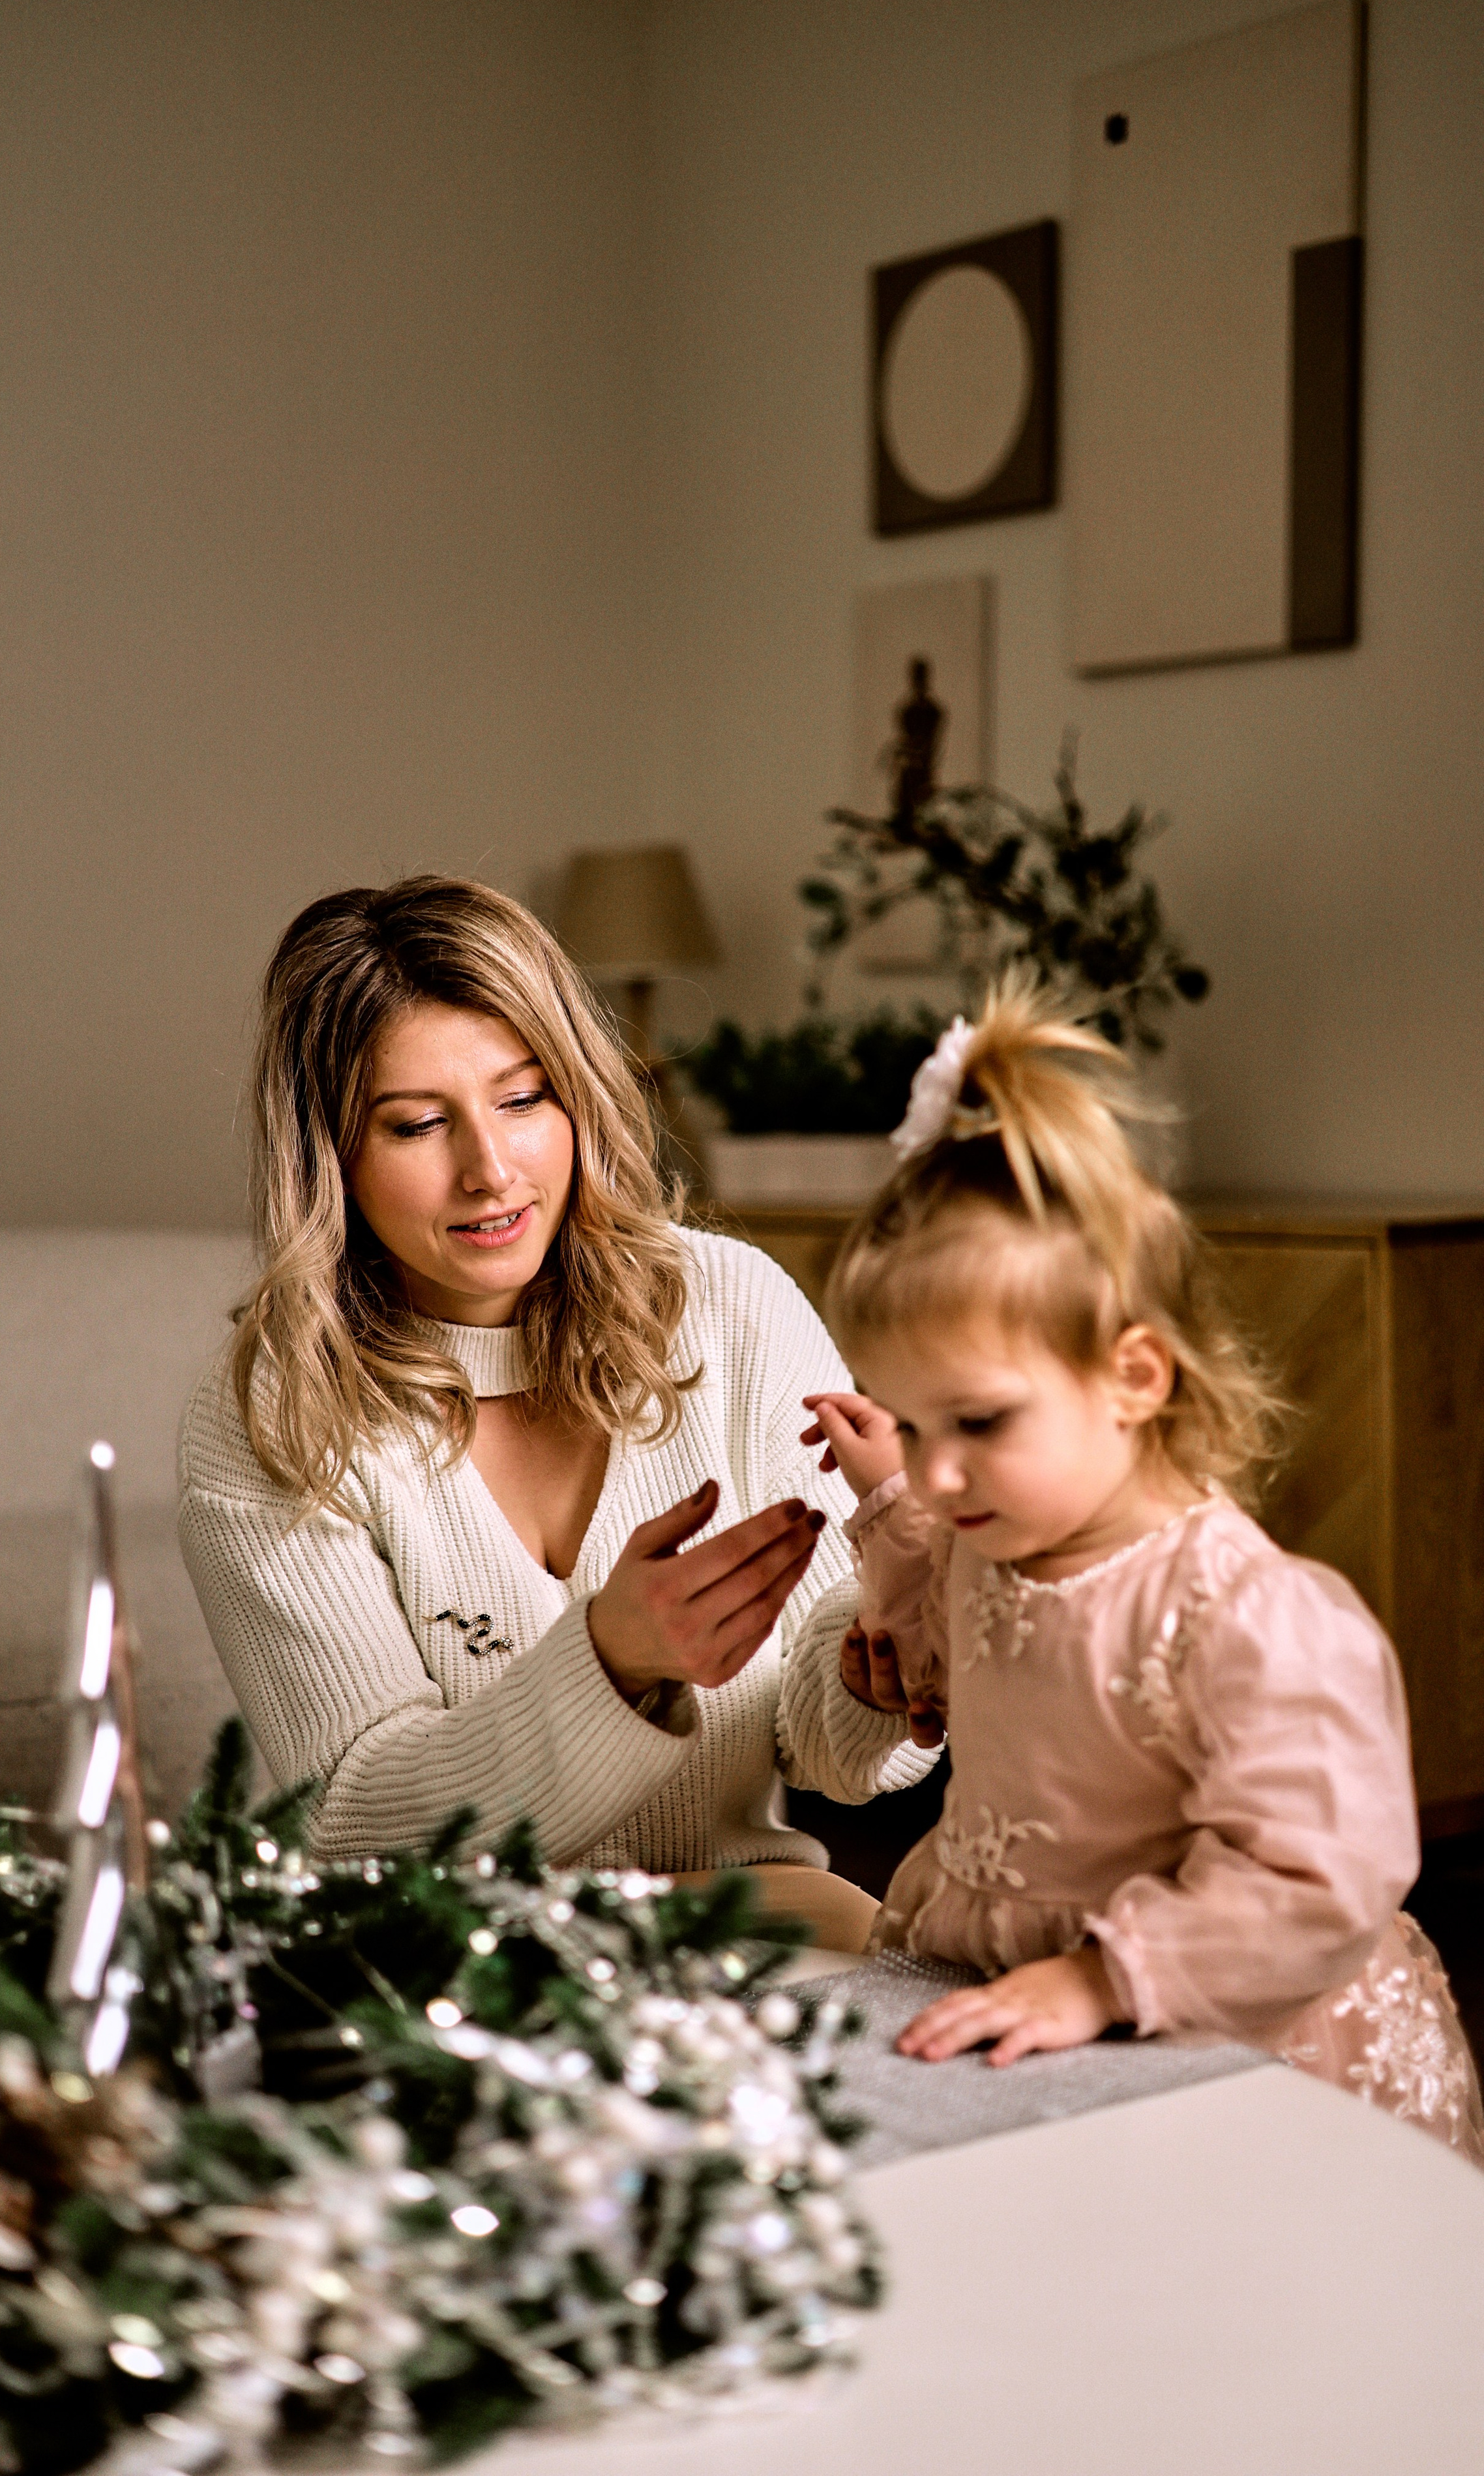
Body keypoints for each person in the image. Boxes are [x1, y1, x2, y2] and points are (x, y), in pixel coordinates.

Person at [799, 980, 1484, 2160]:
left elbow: (1318, 1876)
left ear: (1135, 1377)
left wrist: (1103, 1979)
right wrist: (887, 1508)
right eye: (913, 1423)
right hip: (1009, 1976)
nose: (941, 1473)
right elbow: (938, 1667)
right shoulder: (981, 1538)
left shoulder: (1244, 1615)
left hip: (1222, 2023)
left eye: (978, 1421)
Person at [177, 876, 937, 1938]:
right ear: (330, 1156)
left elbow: (837, 1756)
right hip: (447, 1958)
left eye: (524, 1100)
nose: (489, 1171)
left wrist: (878, 1667)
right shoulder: (275, 1413)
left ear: (577, 1096)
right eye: (416, 1125)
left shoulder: (731, 1307)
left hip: (746, 1928)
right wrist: (612, 1664)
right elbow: (353, 1820)